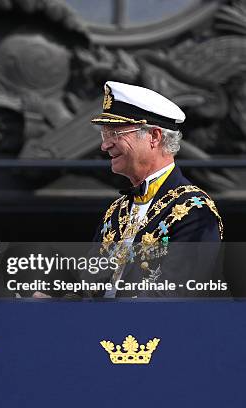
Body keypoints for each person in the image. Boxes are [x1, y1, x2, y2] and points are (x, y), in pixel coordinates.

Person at [89, 81, 226, 297]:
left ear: (154, 137)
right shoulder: (116, 210)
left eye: (115, 134)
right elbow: (90, 286)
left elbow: (173, 298)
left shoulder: (194, 209)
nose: (105, 145)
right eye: (105, 135)